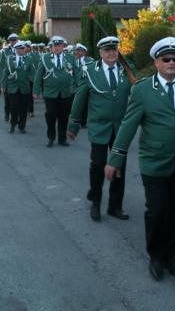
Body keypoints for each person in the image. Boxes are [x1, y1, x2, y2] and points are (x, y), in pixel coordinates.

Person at [106, 37, 175, 281]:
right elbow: (128, 126)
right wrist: (115, 159)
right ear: (156, 62)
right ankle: (155, 256)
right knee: (157, 211)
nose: (172, 63)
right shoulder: (142, 90)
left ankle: (171, 255)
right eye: (166, 59)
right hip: (154, 162)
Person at [68, 36, 132, 222]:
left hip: (120, 127)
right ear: (100, 52)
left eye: (114, 49)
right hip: (99, 126)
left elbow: (137, 95)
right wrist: (74, 124)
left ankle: (115, 206)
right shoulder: (90, 71)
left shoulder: (126, 70)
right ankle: (96, 201)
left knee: (119, 166)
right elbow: (80, 98)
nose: (111, 53)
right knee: (97, 165)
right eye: (107, 50)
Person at [33, 36, 77, 147]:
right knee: (51, 115)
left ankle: (62, 139)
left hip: (66, 92)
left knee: (64, 116)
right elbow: (38, 75)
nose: (56, 48)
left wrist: (77, 88)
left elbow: (77, 73)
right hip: (50, 92)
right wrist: (36, 90)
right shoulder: (45, 58)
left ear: (63, 46)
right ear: (51, 47)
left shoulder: (70, 58)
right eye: (54, 46)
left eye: (58, 45)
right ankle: (51, 137)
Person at [1, 40, 34, 134]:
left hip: (24, 87)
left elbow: (32, 73)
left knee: (24, 108)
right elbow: (5, 72)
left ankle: (22, 126)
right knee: (13, 107)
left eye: (24, 48)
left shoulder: (29, 59)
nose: (24, 50)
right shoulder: (9, 59)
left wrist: (32, 81)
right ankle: (13, 124)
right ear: (17, 49)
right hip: (13, 88)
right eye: (22, 48)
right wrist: (3, 85)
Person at [0, 33, 19, 121]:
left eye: (15, 40)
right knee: (7, 99)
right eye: (12, 40)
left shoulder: (21, 49)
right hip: (8, 79)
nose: (13, 42)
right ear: (9, 41)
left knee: (17, 100)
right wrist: (1, 83)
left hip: (18, 79)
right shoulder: (5, 51)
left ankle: (15, 115)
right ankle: (7, 113)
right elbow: (1, 67)